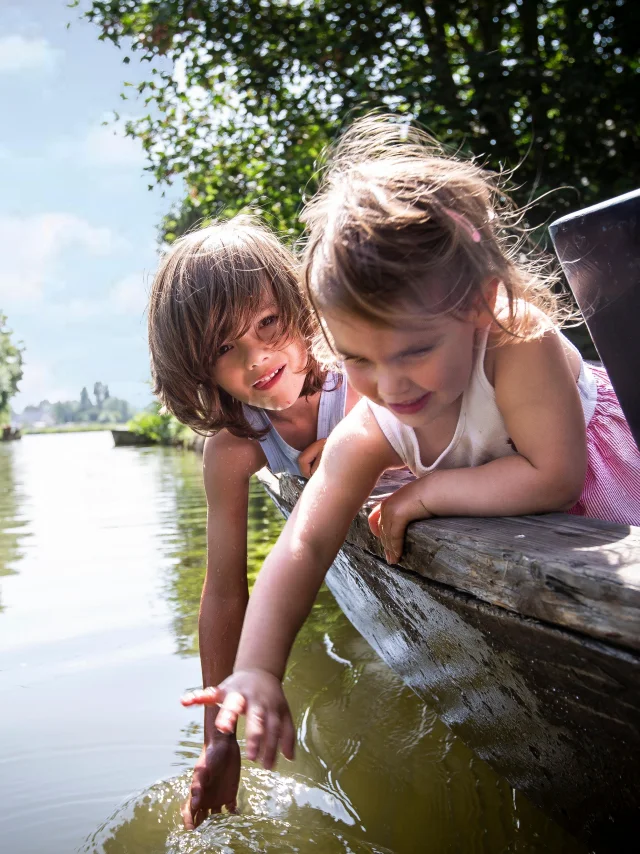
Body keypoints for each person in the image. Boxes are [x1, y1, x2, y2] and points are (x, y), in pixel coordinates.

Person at [181, 117, 640, 771]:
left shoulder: (517, 341)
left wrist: (428, 493)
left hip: (610, 478)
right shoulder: (376, 418)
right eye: (358, 359)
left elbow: (554, 476)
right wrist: (256, 669)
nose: (390, 387)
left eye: (415, 351)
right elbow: (306, 541)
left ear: (481, 305)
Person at [149, 215, 357, 827]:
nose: (257, 356)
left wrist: (346, 447)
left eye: (268, 322)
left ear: (297, 305)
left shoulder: (360, 371)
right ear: (199, 368)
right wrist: (219, 737)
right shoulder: (235, 448)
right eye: (224, 348)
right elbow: (222, 590)